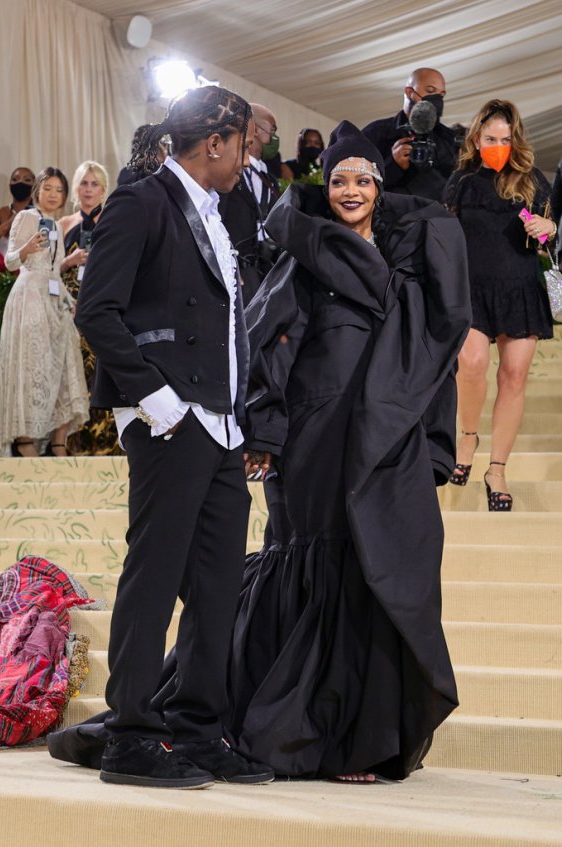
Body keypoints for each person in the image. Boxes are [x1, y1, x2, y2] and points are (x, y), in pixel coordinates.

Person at [48, 121, 470, 784]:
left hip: (388, 445)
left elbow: (434, 361)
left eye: (363, 179)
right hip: (314, 442)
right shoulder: (301, 256)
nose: (351, 190)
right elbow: (266, 348)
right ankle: (310, 734)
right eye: (338, 180)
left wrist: (439, 442)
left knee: (382, 574)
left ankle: (358, 737)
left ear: (381, 188)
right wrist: (267, 434)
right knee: (318, 570)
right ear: (324, 188)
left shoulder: (413, 263)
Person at [71, 86, 273, 790]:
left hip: (218, 422)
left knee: (216, 585)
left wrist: (235, 416)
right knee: (155, 572)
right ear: (213, 141)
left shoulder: (221, 213)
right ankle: (130, 732)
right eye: (244, 144)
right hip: (168, 416)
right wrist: (159, 402)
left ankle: (197, 728)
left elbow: (225, 330)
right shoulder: (141, 199)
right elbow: (97, 311)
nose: (248, 157)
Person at [444, 99, 555, 510]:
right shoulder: (461, 182)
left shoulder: (531, 180)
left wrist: (549, 227)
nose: (498, 145)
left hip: (521, 287)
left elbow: (549, 235)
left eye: (506, 139)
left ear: (515, 140)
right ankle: (468, 437)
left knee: (514, 378)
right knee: (470, 365)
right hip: (471, 289)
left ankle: (497, 469)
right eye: (491, 138)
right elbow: (443, 234)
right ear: (476, 139)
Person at [0, 167, 88, 457]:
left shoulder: (57, 226)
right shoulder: (25, 217)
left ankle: (58, 440)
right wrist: (26, 247)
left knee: (64, 361)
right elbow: (11, 262)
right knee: (29, 366)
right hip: (27, 299)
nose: (53, 195)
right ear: (37, 190)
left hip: (51, 300)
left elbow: (54, 273)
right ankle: (25, 440)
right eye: (47, 188)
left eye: (58, 190)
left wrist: (67, 301)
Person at [59, 161, 118, 455]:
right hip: (69, 312)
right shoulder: (64, 224)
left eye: (95, 184)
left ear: (104, 189)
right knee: (74, 373)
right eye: (84, 183)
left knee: (105, 370)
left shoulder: (114, 220)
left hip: (104, 307)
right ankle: (75, 445)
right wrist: (69, 262)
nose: (89, 190)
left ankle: (108, 445)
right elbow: (46, 270)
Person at [362, 67, 458, 201]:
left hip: (437, 217)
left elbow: (458, 189)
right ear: (409, 92)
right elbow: (359, 184)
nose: (436, 99)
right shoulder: (376, 132)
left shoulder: (448, 138)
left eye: (441, 95)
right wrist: (393, 165)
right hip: (390, 218)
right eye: (430, 91)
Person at [220, 103, 280, 305]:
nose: (273, 140)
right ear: (255, 129)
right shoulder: (229, 172)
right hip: (240, 269)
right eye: (272, 131)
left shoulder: (269, 178)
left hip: (265, 267)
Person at [0, 167, 35, 258]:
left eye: (26, 180)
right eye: (15, 179)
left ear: (34, 185)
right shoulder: (1, 213)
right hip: (1, 270)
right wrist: (10, 222)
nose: (20, 182)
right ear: (10, 184)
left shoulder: (40, 214)